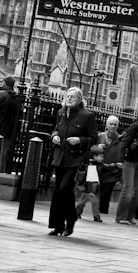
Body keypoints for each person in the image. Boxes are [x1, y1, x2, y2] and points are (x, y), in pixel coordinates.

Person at [48, 87, 97, 237]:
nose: (69, 98)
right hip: (60, 157)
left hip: (75, 159)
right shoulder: (61, 113)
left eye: (73, 97)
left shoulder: (86, 116)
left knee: (64, 188)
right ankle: (59, 225)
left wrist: (80, 140)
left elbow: (93, 138)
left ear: (79, 100)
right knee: (59, 191)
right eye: (68, 96)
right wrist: (54, 136)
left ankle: (70, 221)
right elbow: (55, 129)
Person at [98, 115, 122, 214]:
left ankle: (103, 212)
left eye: (115, 124)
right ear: (106, 125)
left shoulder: (120, 140)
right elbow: (90, 150)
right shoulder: (99, 136)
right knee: (94, 192)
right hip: (99, 169)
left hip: (113, 171)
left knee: (106, 193)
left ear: (118, 126)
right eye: (111, 124)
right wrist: (97, 147)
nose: (113, 126)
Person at [75, 145, 103, 222]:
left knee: (83, 201)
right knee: (95, 201)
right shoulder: (91, 165)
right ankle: (96, 216)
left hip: (90, 186)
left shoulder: (91, 164)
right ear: (95, 156)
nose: (102, 158)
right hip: (90, 186)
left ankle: (77, 213)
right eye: (100, 156)